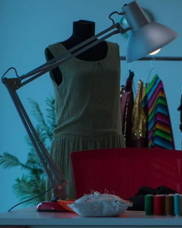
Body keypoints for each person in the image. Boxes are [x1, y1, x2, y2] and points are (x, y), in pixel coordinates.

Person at [45, 20, 125, 199]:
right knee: (68, 216)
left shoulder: (113, 50)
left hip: (110, 145)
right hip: (72, 146)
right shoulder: (55, 52)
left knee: (115, 216)